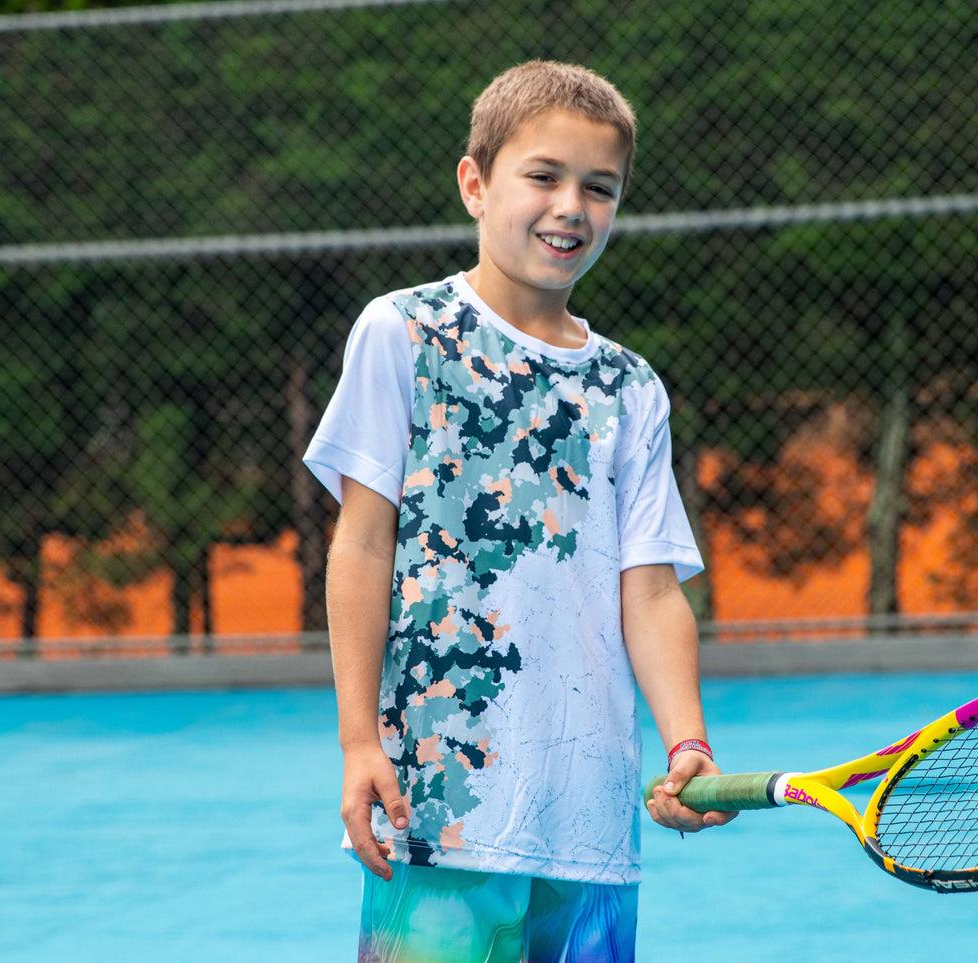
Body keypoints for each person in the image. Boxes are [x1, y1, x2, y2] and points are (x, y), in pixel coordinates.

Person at [303, 60, 735, 963]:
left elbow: (650, 592)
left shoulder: (630, 386)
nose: (569, 206)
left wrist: (686, 740)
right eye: (542, 175)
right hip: (438, 802)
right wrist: (357, 739)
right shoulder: (402, 332)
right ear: (475, 182)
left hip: (588, 816)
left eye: (599, 187)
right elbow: (362, 542)